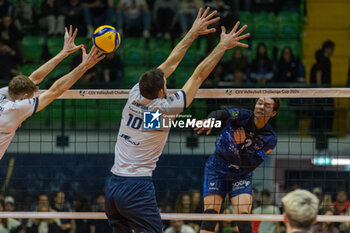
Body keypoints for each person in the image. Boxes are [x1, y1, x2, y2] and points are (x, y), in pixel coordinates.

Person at [105, 7, 250, 233]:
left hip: (113, 186)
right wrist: (222, 46)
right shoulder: (164, 110)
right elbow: (198, 75)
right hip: (136, 187)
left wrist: (192, 32)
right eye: (165, 85)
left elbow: (170, 64)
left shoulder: (135, 93)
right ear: (162, 91)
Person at [0, 26, 104, 159]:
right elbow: (55, 91)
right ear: (25, 97)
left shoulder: (5, 93)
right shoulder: (17, 108)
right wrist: (83, 67)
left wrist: (64, 52)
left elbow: (34, 78)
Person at [194, 97, 280, 233]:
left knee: (243, 219)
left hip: (241, 174)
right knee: (210, 217)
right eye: (259, 103)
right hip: (217, 168)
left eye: (267, 105)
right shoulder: (242, 115)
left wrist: (241, 146)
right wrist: (211, 120)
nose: (261, 107)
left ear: (273, 113)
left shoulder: (270, 138)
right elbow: (221, 113)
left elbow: (249, 166)